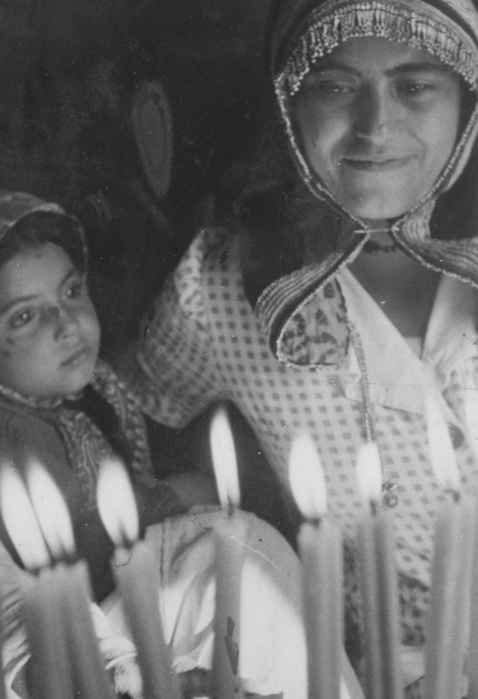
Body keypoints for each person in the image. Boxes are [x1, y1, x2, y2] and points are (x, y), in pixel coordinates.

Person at [126, 0, 478, 693]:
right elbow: (132, 425)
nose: (376, 126)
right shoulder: (223, 283)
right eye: (334, 85)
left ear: (468, 101)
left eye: (414, 86)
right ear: (288, 98)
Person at [0, 187, 365, 698]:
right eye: (25, 317)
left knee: (250, 569)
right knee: (238, 554)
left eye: (72, 292)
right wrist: (174, 499)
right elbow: (65, 560)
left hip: (126, 606)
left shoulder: (58, 402)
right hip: (80, 649)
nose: (67, 324)